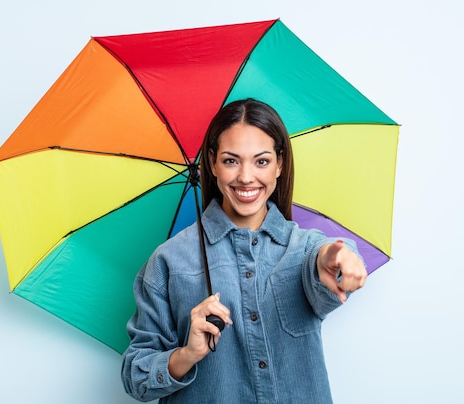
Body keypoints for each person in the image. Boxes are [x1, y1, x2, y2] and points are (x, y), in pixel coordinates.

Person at [121, 98, 367, 403]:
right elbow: (136, 377)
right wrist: (187, 353)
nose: (246, 177)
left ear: (280, 163)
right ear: (212, 162)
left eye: (261, 161)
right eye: (231, 160)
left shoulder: (305, 249)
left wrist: (337, 258)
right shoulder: (169, 261)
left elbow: (325, 260)